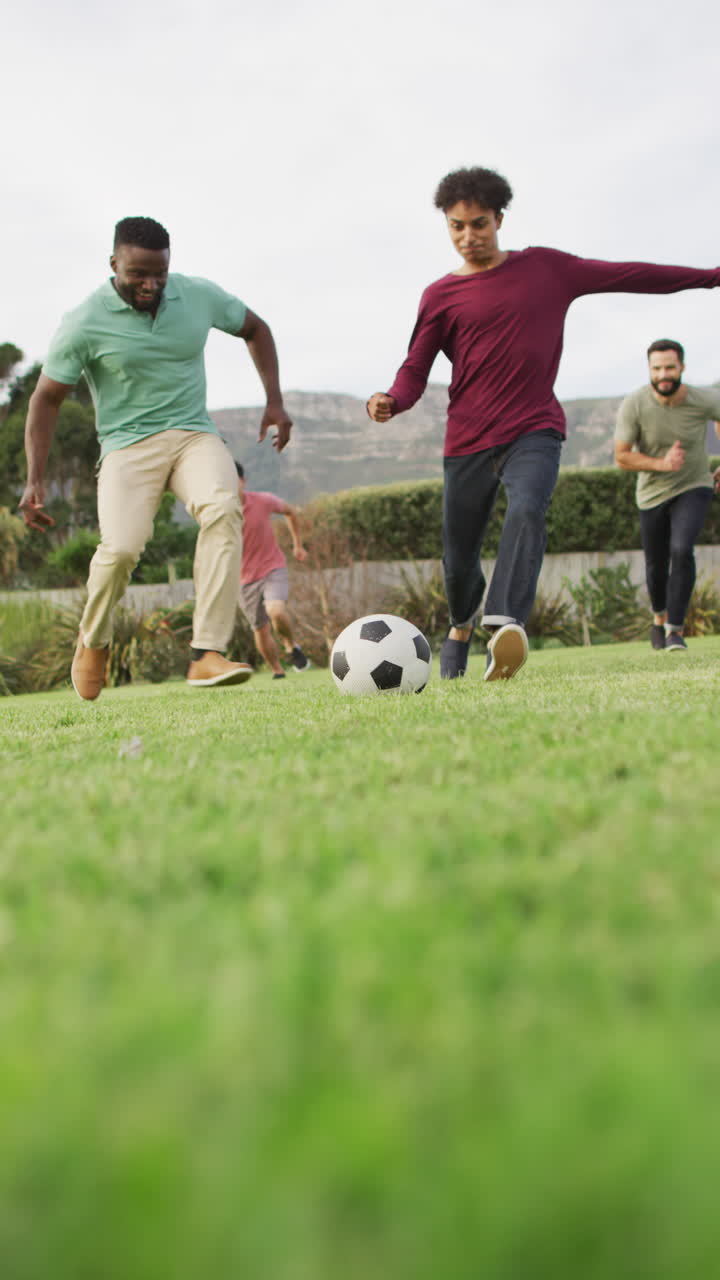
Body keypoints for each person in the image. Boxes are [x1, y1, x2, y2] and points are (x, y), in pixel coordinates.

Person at [366, 167, 720, 681]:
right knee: (458, 560)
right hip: (466, 440)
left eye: (480, 224)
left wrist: (711, 276)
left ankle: (505, 621)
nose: (469, 237)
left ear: (500, 219)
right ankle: (461, 625)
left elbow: (631, 275)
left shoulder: (547, 269)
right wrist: (392, 400)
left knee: (528, 510)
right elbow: (416, 368)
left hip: (534, 428)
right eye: (457, 227)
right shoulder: (440, 296)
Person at [19, 215, 293, 700]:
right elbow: (47, 398)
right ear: (113, 265)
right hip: (127, 445)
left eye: (159, 274)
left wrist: (274, 399)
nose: (150, 285)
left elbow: (257, 328)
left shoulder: (197, 295)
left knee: (223, 507)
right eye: (137, 274)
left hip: (193, 435)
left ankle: (206, 652)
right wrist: (35, 479)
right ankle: (94, 640)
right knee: (122, 549)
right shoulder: (83, 321)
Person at [614, 339, 720, 651]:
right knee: (655, 566)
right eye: (657, 368)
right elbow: (621, 456)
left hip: (694, 485)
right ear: (649, 369)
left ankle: (675, 629)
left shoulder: (703, 399)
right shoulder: (635, 403)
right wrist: (662, 464)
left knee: (681, 549)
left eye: (670, 368)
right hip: (651, 494)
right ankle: (658, 617)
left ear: (682, 368)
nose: (664, 374)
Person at [235, 462, 311, 677]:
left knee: (275, 611)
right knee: (259, 628)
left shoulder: (263, 501)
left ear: (243, 481)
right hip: (242, 580)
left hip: (272, 567)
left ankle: (290, 646)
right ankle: (277, 671)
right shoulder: (220, 512)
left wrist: (298, 545)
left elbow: (290, 512)